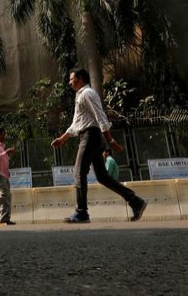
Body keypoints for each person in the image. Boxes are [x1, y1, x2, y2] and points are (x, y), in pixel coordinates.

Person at [52, 68, 147, 223]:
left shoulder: (87, 94)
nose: (69, 82)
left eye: (72, 79)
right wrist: (62, 139)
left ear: (81, 78)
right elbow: (77, 123)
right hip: (91, 136)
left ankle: (81, 212)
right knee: (103, 177)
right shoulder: (80, 95)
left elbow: (100, 116)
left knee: (78, 172)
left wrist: (110, 140)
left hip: (91, 136)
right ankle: (136, 202)